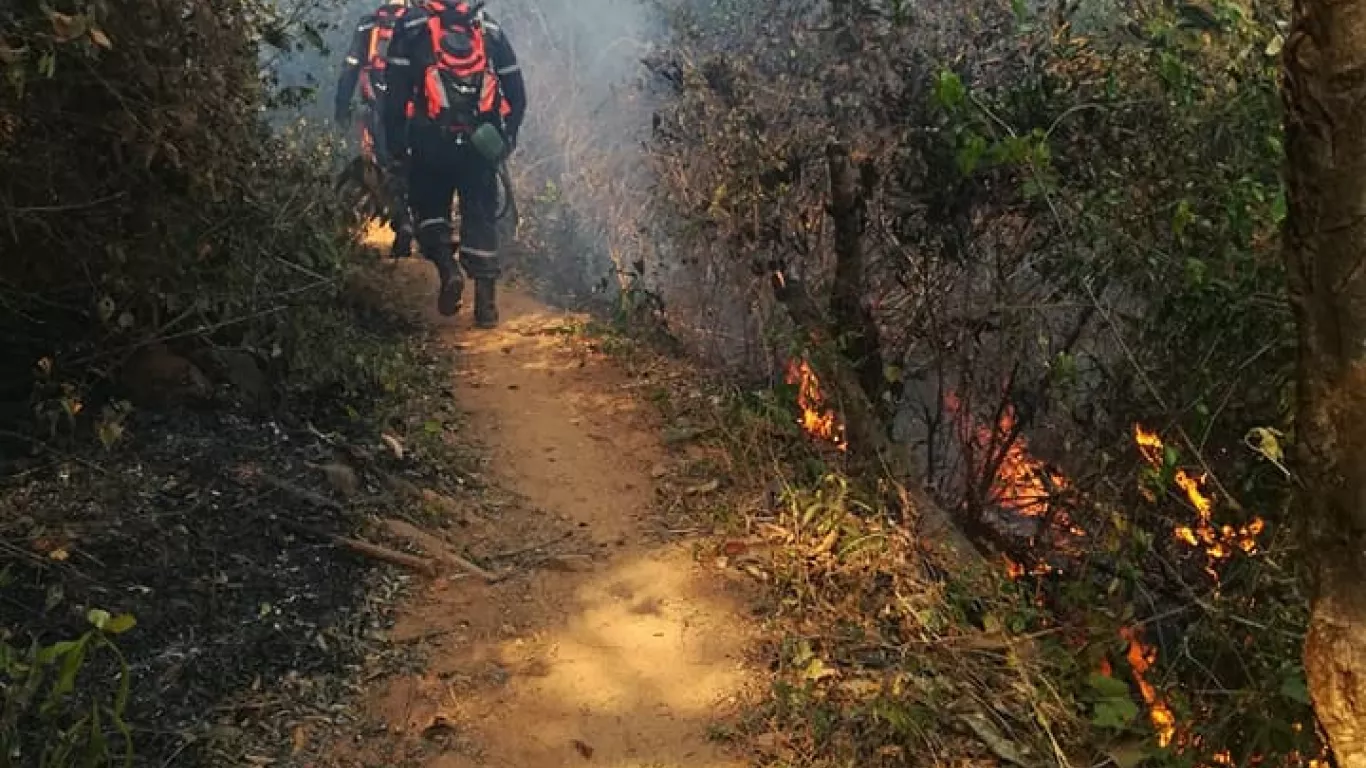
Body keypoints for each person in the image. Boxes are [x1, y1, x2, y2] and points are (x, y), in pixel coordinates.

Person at [379, 0, 526, 326]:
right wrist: (507, 138)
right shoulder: (488, 28)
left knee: (430, 213)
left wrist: (396, 150)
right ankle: (486, 305)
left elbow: (394, 99)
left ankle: (449, 270)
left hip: (429, 140)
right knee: (482, 214)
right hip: (480, 144)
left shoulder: (412, 28)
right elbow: (517, 92)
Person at [334, 0, 415, 258]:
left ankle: (402, 221)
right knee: (415, 163)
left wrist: (342, 106)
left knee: (387, 164)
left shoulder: (368, 25)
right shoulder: (418, 23)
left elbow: (350, 68)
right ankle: (429, 226)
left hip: (378, 108)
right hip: (415, 108)